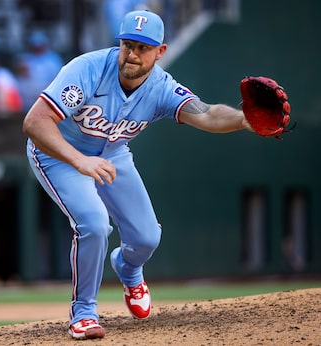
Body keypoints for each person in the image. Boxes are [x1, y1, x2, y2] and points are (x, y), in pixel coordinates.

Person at [22, 10, 253, 340]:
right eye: (127, 44)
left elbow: (208, 115)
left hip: (113, 154)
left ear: (160, 52)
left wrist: (243, 119)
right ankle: (84, 312)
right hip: (57, 154)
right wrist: (79, 161)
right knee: (94, 223)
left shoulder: (161, 87)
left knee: (147, 237)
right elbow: (35, 122)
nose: (132, 54)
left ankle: (129, 268)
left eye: (143, 47)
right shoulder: (87, 69)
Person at [15, 31, 63, 111]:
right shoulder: (26, 59)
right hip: (27, 102)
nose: (38, 49)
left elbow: (57, 80)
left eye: (40, 46)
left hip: (47, 100)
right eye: (35, 47)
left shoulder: (53, 59)